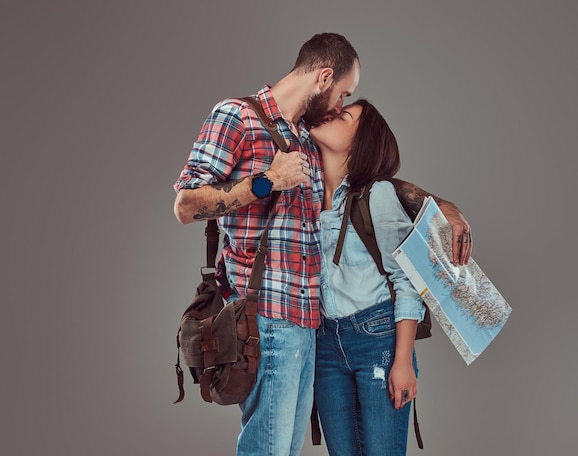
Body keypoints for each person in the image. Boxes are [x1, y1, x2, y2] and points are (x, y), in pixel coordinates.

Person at [173, 33, 471, 456]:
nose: (339, 106)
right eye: (343, 94)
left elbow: (367, 177)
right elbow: (186, 204)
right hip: (265, 319)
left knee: (287, 449)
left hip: (309, 326)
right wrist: (266, 182)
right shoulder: (237, 116)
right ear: (325, 77)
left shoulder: (306, 141)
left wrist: (444, 206)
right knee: (270, 448)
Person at [310, 98, 460, 455]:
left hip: (377, 338)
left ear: (360, 143)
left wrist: (403, 361)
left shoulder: (377, 194)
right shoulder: (306, 200)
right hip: (325, 344)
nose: (332, 114)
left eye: (344, 116)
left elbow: (407, 281)